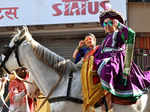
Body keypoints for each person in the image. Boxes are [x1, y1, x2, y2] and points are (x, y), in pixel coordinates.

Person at [93, 0, 150, 102]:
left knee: (106, 69)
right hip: (104, 60)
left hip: (116, 63)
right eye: (104, 24)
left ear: (115, 23)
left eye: (110, 22)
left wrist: (119, 25)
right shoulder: (106, 38)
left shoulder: (118, 34)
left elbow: (131, 34)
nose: (107, 25)